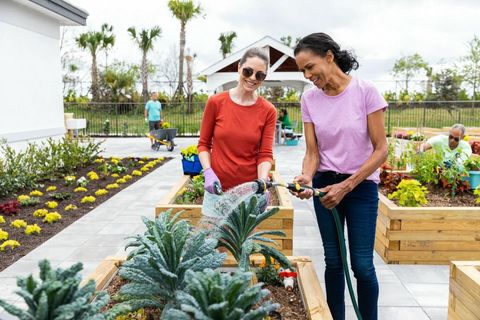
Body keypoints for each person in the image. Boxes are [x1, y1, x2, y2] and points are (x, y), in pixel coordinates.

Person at [292, 33, 388, 320]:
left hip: (359, 188)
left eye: (310, 67)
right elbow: (312, 152)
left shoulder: (366, 91)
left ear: (329, 56)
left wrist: (346, 186)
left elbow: (381, 150)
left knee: (361, 265)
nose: (308, 75)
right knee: (333, 262)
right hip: (325, 188)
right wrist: (306, 178)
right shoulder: (309, 99)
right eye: (303, 71)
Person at [197, 47, 276, 204]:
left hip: (249, 193)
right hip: (216, 190)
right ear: (239, 68)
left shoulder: (268, 111)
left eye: (259, 75)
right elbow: (203, 145)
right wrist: (208, 171)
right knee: (212, 230)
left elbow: (265, 154)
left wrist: (262, 184)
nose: (253, 78)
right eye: (248, 71)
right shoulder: (216, 102)